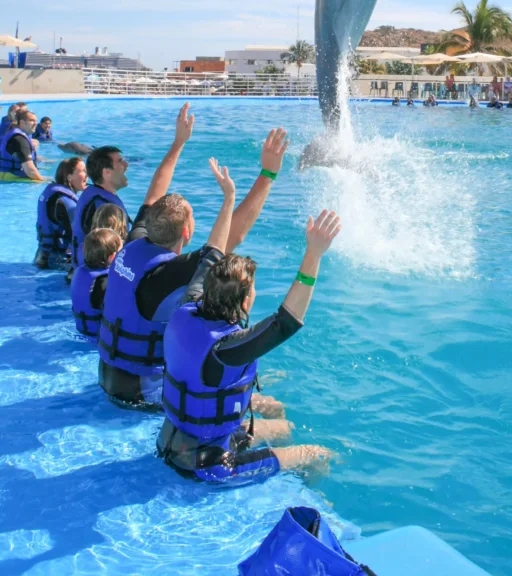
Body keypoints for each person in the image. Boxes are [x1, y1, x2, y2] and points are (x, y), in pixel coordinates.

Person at [98, 128, 289, 410]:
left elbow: (153, 194)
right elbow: (228, 240)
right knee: (271, 407)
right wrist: (266, 175)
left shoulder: (131, 246)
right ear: (186, 233)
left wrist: (179, 142)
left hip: (108, 374)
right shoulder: (168, 275)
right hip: (141, 392)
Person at [157, 206, 340, 485]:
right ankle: (307, 491)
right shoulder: (226, 350)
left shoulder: (185, 309)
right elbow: (286, 322)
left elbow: (209, 257)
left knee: (281, 422)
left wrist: (229, 198)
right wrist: (313, 254)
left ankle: (283, 467)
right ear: (244, 302)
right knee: (317, 453)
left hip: (173, 442)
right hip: (209, 465)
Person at [71, 102, 195, 268]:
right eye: (120, 162)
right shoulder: (104, 209)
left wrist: (179, 142)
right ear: (106, 172)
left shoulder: (93, 195)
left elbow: (153, 196)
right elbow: (106, 258)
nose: (126, 165)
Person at [71, 226, 123, 343]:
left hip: (81, 333)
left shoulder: (80, 272)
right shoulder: (105, 281)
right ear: (113, 257)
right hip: (100, 341)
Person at [35, 156, 89, 269]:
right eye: (83, 171)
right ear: (69, 177)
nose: (87, 175)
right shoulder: (66, 202)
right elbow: (77, 238)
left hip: (42, 256)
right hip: (58, 261)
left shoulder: (52, 194)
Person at [0, 108, 45, 182]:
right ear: (22, 122)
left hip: (10, 175)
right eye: (31, 120)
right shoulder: (19, 140)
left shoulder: (18, 135)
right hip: (11, 178)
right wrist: (43, 181)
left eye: (36, 121)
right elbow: (30, 170)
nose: (35, 123)